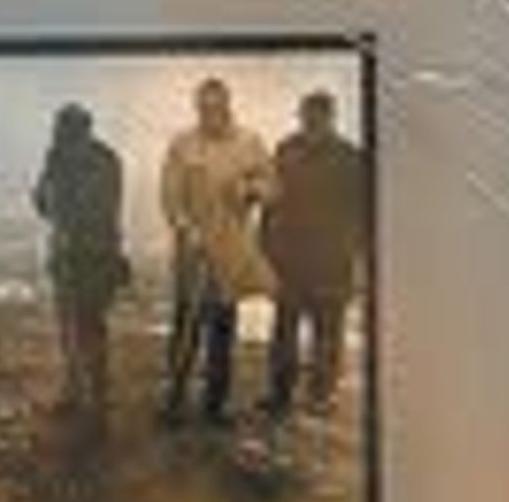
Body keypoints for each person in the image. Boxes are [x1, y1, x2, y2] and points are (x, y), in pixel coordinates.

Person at [156, 78, 274, 426]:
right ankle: (175, 399)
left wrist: (250, 189)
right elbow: (169, 195)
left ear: (228, 106)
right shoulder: (182, 144)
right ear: (197, 109)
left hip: (231, 248)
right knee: (185, 325)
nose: (211, 114)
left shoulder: (249, 142)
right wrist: (186, 230)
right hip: (192, 251)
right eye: (204, 108)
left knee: (223, 329)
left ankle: (215, 406)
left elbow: (272, 186)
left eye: (217, 107)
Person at [258, 88, 366, 414]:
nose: (309, 122)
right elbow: (272, 203)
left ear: (330, 118)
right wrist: (264, 247)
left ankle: (321, 395)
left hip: (331, 263)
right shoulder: (285, 150)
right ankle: (280, 394)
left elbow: (362, 213)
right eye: (305, 116)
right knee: (284, 332)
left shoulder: (352, 158)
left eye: (317, 117)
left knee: (328, 334)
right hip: (289, 260)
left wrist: (356, 258)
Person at [32, 101, 130, 422]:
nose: (60, 136)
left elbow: (102, 209)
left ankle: (98, 394)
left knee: (89, 325)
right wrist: (46, 202)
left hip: (94, 256)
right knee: (67, 324)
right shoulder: (57, 158)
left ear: (82, 130)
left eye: (65, 130)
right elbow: (43, 200)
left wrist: (59, 211)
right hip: (67, 255)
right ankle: (75, 388)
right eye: (60, 131)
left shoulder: (103, 161)